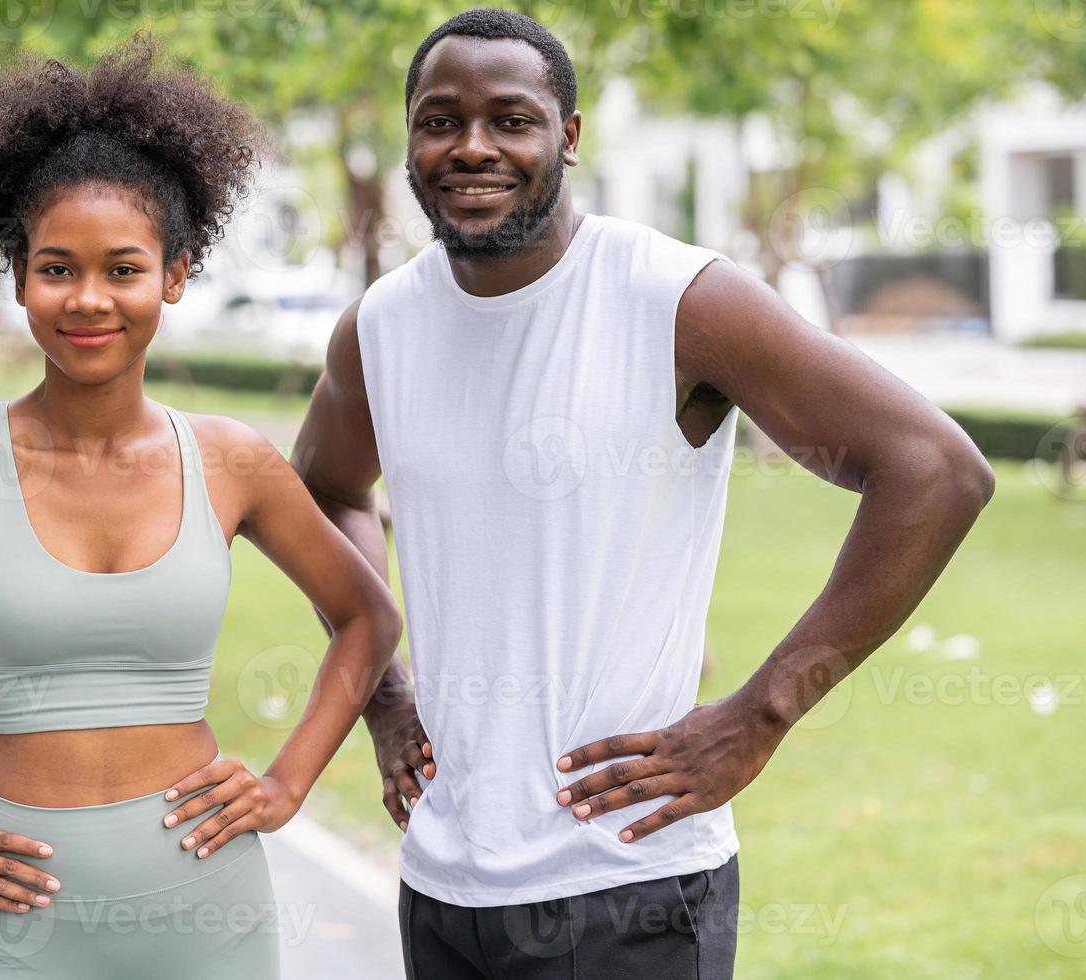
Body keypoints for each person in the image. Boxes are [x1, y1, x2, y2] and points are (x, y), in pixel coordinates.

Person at [290, 9, 995, 978]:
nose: (472, 147)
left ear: (568, 137)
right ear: (408, 137)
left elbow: (935, 470)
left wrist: (761, 713)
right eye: (440, 120)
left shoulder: (678, 300)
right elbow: (326, 491)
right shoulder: (378, 327)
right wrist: (383, 689)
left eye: (511, 118)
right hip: (444, 883)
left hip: (630, 885)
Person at [0, 35, 402, 979]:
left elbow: (366, 617)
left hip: (205, 902)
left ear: (173, 276)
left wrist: (288, 782)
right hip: (25, 917)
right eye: (57, 268)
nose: (88, 299)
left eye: (123, 269)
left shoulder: (231, 462)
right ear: (16, 278)